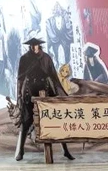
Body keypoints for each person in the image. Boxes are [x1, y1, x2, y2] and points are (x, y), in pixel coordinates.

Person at [15, 33, 74, 161]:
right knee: (26, 121)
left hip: (45, 90)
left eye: (36, 45)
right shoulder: (24, 59)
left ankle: (65, 150)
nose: (34, 47)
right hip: (30, 92)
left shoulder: (46, 57)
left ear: (39, 46)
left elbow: (53, 76)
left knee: (55, 120)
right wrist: (19, 94)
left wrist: (59, 93)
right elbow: (20, 78)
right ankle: (21, 151)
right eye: (32, 45)